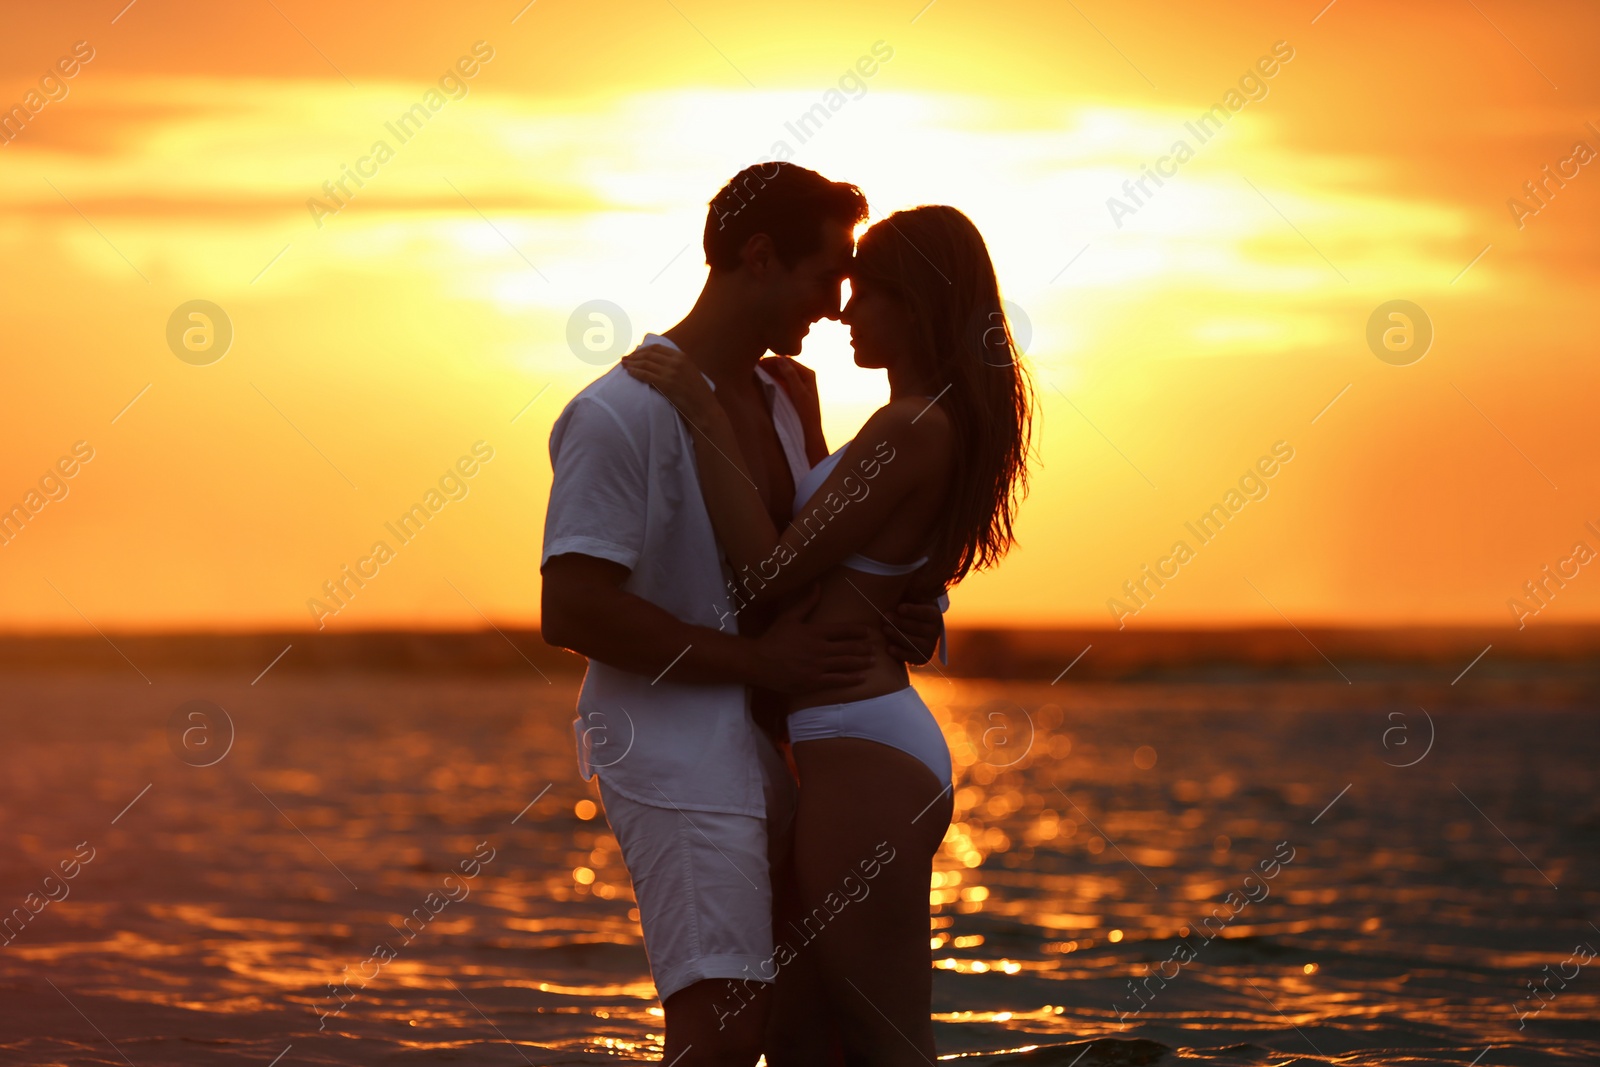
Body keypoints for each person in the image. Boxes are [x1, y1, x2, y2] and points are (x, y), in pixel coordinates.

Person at [539, 162, 945, 1066]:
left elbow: (814, 560)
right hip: (676, 755)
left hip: (780, 754)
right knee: (722, 1027)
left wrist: (910, 611)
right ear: (759, 257)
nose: (839, 304)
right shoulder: (620, 413)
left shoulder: (782, 401)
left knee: (814, 1028)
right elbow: (570, 608)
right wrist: (761, 666)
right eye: (827, 272)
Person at [623, 203, 1034, 1064]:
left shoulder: (911, 427)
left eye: (869, 293)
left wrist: (701, 413)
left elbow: (772, 573)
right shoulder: (908, 425)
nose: (846, 312)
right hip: (847, 743)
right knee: (810, 1038)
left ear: (915, 305)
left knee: (888, 1042)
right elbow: (848, 552)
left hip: (862, 746)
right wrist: (805, 432)